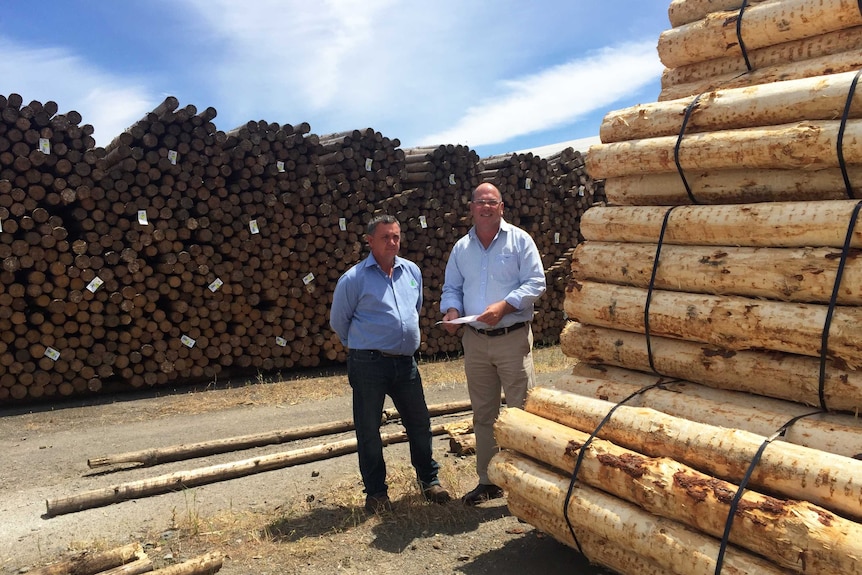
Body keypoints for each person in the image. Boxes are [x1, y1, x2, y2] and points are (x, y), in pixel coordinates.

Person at [330, 213, 451, 513]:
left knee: (420, 423)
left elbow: (416, 308)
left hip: (405, 364)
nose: (392, 242)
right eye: (385, 237)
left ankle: (429, 481)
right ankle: (376, 494)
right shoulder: (354, 279)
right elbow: (339, 321)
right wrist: (363, 345)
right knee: (369, 429)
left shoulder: (412, 271)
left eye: (396, 236)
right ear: (370, 241)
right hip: (368, 364)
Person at [440, 182, 546, 506]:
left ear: (502, 207)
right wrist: (452, 310)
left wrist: (505, 305)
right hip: (475, 340)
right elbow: (451, 287)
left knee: (522, 411)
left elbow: (536, 281)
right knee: (483, 414)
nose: (485, 207)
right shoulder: (461, 248)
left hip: (511, 338)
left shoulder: (520, 241)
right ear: (471, 208)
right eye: (480, 202)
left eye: (492, 202)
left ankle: (526, 480)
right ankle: (488, 481)